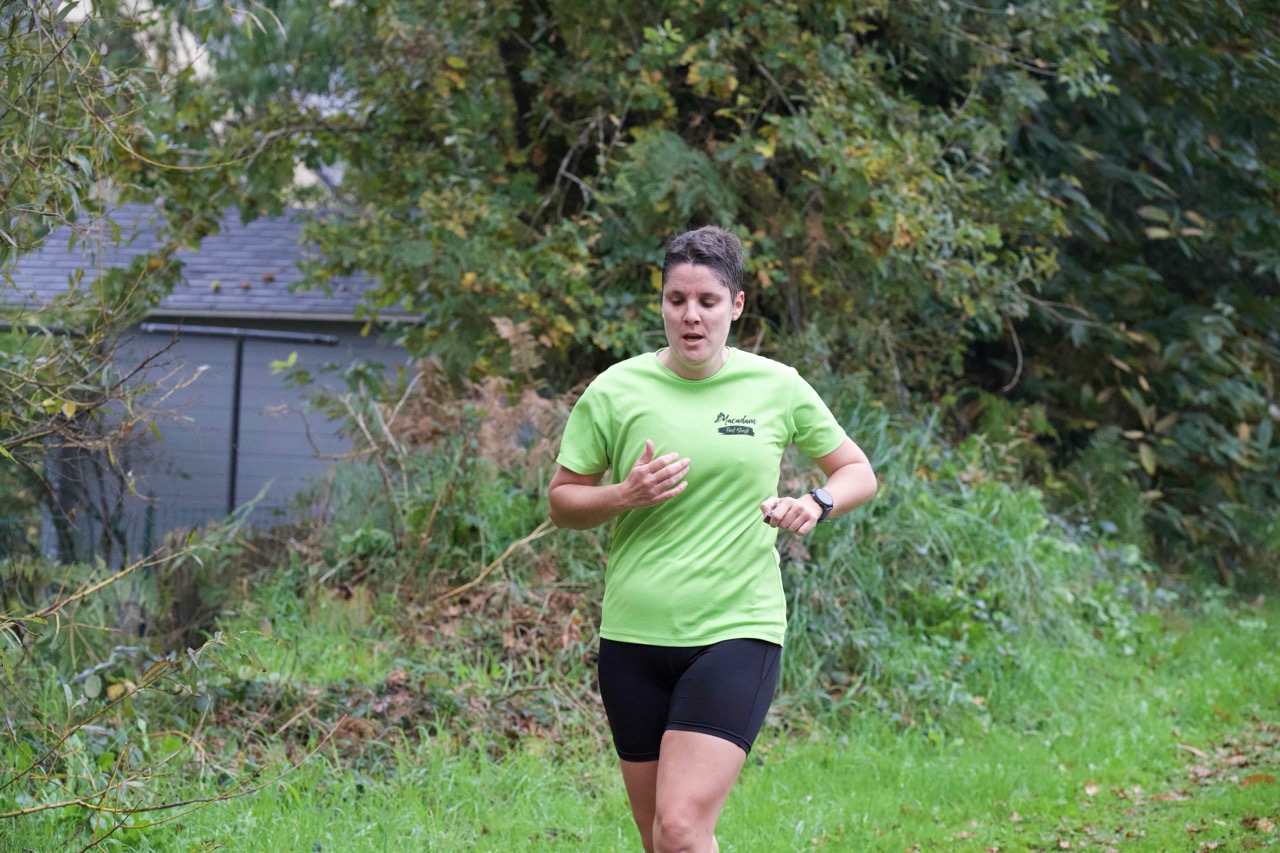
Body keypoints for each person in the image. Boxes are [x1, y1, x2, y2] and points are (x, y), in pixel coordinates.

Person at [548, 225, 877, 853]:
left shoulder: (776, 386)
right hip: (633, 636)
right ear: (661, 304)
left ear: (737, 305)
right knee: (659, 839)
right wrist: (623, 495)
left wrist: (815, 502)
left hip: (736, 628)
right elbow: (563, 502)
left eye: (707, 301)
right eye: (676, 300)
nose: (691, 316)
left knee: (680, 828)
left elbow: (857, 471)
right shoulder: (616, 389)